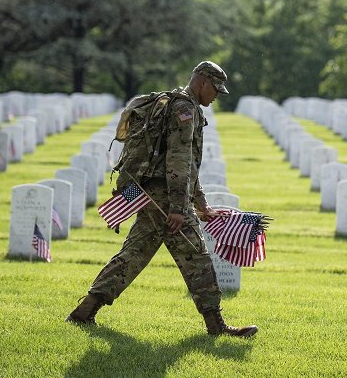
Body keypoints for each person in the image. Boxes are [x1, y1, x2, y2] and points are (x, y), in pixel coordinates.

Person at [65, 61, 258, 338]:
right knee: (197, 256)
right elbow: (178, 163)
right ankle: (216, 326)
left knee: (133, 254)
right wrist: (180, 208)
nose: (216, 96)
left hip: (152, 194)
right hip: (167, 199)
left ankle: (85, 310)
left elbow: (189, 164)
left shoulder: (177, 104)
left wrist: (200, 203)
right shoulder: (184, 109)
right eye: (215, 89)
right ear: (203, 82)